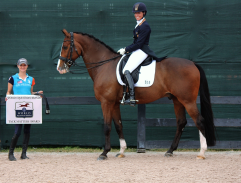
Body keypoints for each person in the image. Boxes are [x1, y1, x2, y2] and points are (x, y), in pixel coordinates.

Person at [117, 2, 162, 106]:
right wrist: (126, 50)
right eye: (135, 13)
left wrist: (126, 49)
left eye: (139, 13)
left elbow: (139, 44)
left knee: (126, 70)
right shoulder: (139, 24)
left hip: (142, 50)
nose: (137, 14)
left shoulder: (145, 26)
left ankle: (132, 97)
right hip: (138, 50)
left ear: (144, 13)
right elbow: (135, 43)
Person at [5, 58, 43, 161]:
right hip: (17, 108)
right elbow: (8, 92)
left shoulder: (31, 79)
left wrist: (38, 94)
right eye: (21, 65)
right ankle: (11, 154)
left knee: (27, 131)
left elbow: (30, 93)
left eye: (24, 65)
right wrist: (7, 96)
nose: (22, 67)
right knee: (17, 131)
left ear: (27, 66)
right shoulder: (12, 78)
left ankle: (23, 154)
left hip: (28, 107)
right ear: (17, 66)